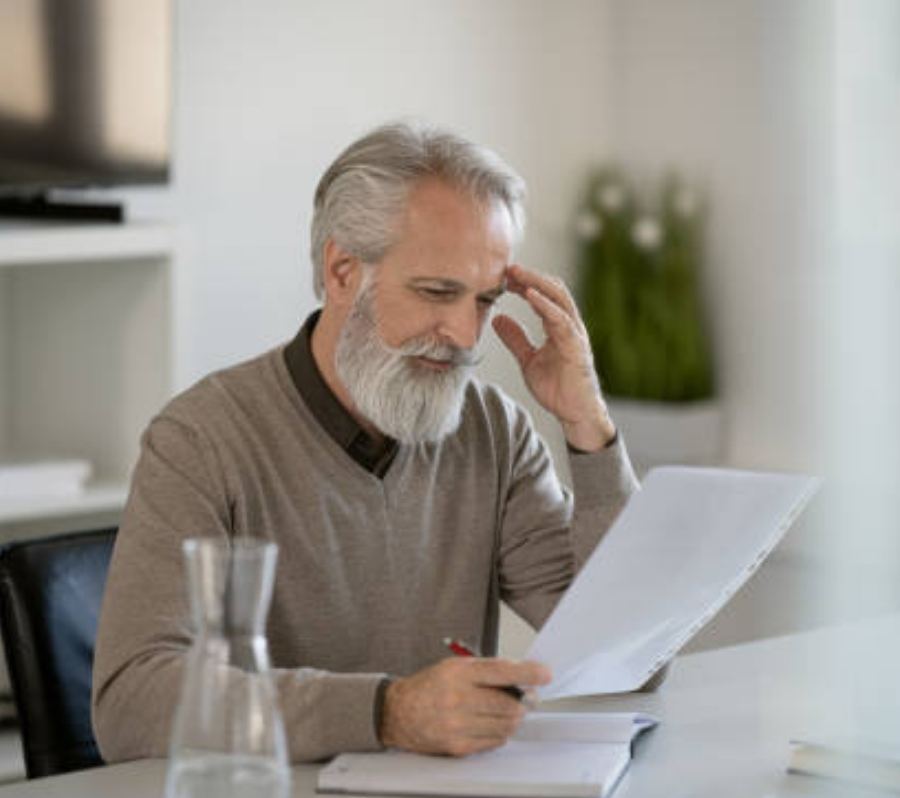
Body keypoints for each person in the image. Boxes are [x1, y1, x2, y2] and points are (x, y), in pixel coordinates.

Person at [92, 121, 641, 764]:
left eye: (485, 301)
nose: (466, 336)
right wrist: (389, 712)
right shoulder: (200, 440)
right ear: (342, 271)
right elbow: (131, 704)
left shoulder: (495, 431)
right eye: (437, 292)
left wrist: (588, 425)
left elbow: (628, 654)